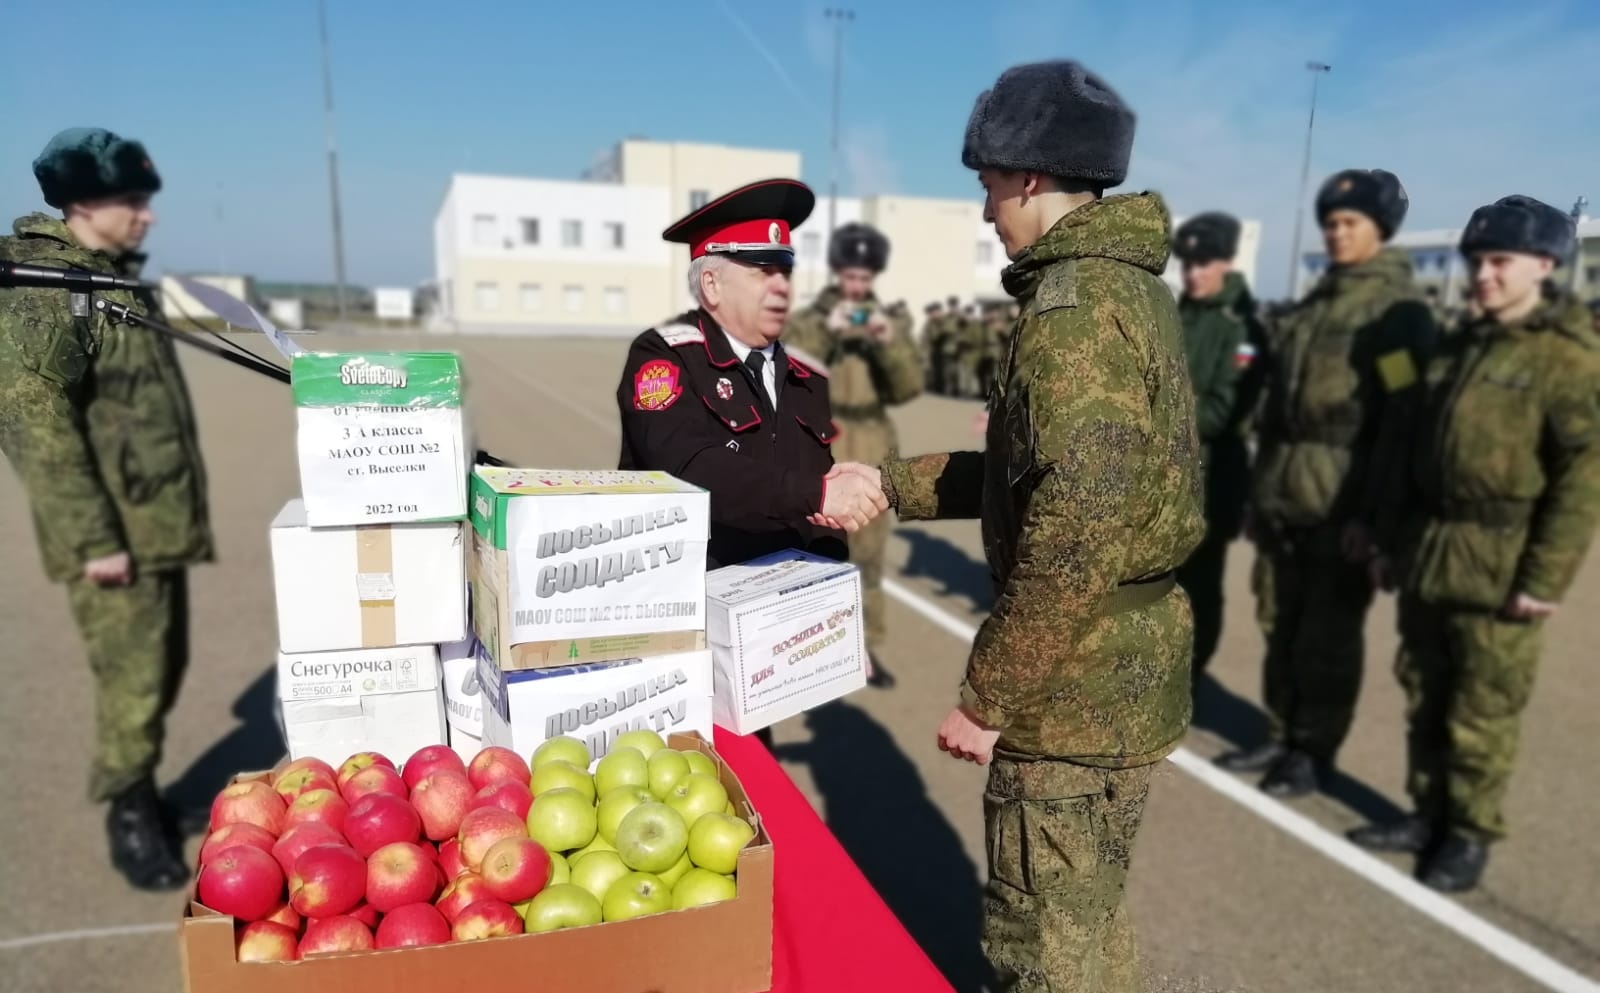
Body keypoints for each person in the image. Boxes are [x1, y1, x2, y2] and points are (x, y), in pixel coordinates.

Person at [825, 60, 1202, 993]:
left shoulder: (1074, 315)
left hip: (1076, 687)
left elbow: (1073, 538)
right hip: (1118, 666)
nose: (987, 207)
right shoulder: (1128, 288)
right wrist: (888, 480)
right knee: (1088, 920)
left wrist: (987, 697)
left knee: (1044, 948)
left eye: (989, 184)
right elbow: (1023, 476)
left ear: (1028, 178)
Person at [1350, 197, 1600, 892]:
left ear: (1544, 266)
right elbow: (1412, 450)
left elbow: (1582, 482)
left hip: (1501, 558)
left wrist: (1544, 579)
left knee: (1482, 707)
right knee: (1424, 691)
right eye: (1476, 262)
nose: (1482, 275)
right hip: (1433, 549)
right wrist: (1392, 540)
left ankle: (1469, 830)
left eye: (1499, 262)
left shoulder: (1568, 360)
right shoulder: (1460, 345)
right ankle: (1426, 811)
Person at [0, 128, 213, 891]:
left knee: (161, 665)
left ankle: (144, 793)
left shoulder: (104, 278)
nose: (147, 217)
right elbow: (30, 417)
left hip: (152, 523)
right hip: (113, 533)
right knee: (132, 678)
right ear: (87, 203)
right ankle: (128, 817)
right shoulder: (48, 290)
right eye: (134, 202)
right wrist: (93, 538)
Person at [614, 178, 887, 747]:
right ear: (710, 283)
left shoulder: (805, 379)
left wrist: (827, 607)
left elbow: (812, 510)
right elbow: (689, 467)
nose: (782, 286)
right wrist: (816, 494)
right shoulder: (665, 357)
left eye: (785, 269)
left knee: (752, 784)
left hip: (759, 637)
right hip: (677, 627)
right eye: (762, 271)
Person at [1217, 169, 1435, 797]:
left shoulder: (1396, 317)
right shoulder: (1315, 305)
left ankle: (1314, 750)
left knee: (1328, 639)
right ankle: (1280, 733)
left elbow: (1400, 423)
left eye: (1350, 224)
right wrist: (1261, 496)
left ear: (1381, 231)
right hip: (1286, 494)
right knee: (1278, 624)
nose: (1337, 234)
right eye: (1331, 224)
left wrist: (1375, 520)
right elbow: (1276, 418)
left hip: (1343, 503)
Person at [782, 223, 922, 687]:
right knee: (814, 548)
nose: (857, 287)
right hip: (822, 438)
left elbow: (907, 389)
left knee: (868, 553)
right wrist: (827, 333)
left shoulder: (889, 322)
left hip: (874, 438)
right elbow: (788, 375)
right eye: (850, 276)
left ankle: (864, 647)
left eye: (865, 279)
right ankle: (806, 647)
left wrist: (886, 345)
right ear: (837, 272)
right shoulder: (806, 320)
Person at [1171, 212, 1267, 682]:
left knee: (1200, 585)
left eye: (1203, 263)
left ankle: (1191, 673)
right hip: (1165, 476)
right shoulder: (1177, 314)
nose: (1192, 274)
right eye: (1187, 263)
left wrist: (1161, 411)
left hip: (1212, 480)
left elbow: (1222, 412)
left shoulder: (1243, 328)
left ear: (1226, 263)